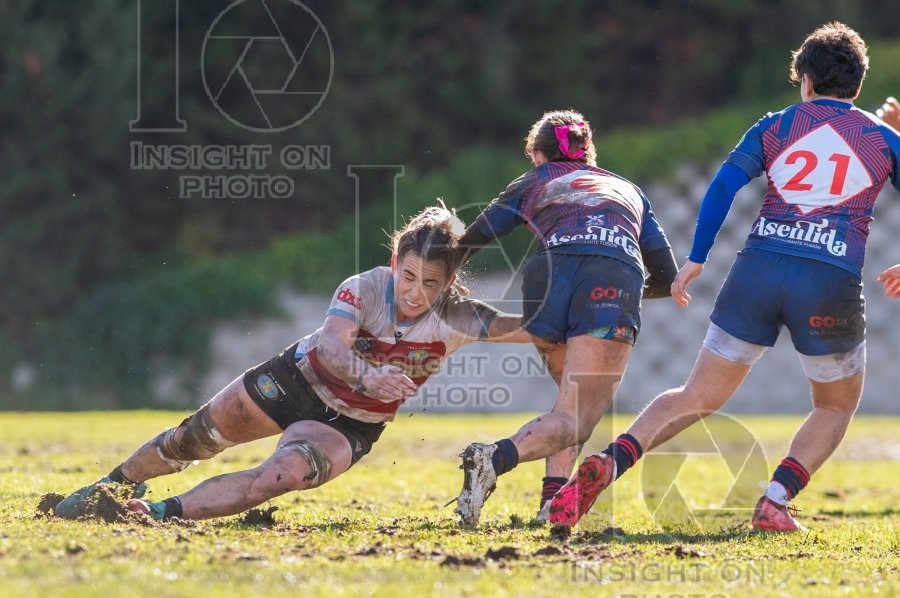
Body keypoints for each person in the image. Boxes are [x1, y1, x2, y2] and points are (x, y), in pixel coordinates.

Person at [549, 21, 900, 532]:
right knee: (834, 407)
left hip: (756, 272)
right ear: (859, 83)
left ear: (805, 79)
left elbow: (721, 187)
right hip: (829, 280)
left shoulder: (775, 125)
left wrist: (696, 257)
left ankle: (612, 460)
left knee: (695, 395)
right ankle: (775, 501)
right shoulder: (884, 138)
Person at [53, 203, 531, 521]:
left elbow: (531, 328)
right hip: (295, 380)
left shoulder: (459, 316)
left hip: (351, 424)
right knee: (191, 439)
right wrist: (370, 375)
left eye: (430, 284)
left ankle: (160, 513)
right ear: (394, 263)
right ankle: (111, 486)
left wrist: (574, 314)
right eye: (408, 277)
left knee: (277, 478)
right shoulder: (363, 288)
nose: (415, 293)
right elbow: (331, 348)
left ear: (448, 283)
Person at [451, 109, 679, 526]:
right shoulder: (627, 188)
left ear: (538, 155)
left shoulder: (534, 180)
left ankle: (551, 502)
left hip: (547, 277)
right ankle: (493, 459)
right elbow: (666, 274)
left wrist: (442, 277)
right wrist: (627, 291)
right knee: (578, 418)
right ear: (589, 153)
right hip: (611, 280)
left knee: (566, 408)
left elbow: (479, 234)